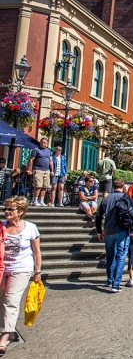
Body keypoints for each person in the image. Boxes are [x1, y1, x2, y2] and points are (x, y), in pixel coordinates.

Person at [0, 196, 39, 353]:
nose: (7, 211)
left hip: (22, 269)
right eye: (6, 208)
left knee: (11, 301)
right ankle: (6, 328)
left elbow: (37, 252)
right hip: (2, 269)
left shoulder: (30, 228)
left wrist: (38, 272)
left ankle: (4, 337)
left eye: (11, 209)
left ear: (21, 211)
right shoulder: (1, 226)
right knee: (1, 300)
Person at [95, 179, 129, 292]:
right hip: (121, 230)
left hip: (108, 230)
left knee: (110, 256)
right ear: (123, 186)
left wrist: (99, 231)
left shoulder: (106, 199)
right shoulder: (125, 198)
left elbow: (99, 216)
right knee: (121, 256)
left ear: (113, 186)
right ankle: (116, 283)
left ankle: (109, 280)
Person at [27, 137, 53, 207]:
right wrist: (29, 169)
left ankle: (41, 201)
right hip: (38, 170)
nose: (42, 143)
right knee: (38, 186)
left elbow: (50, 161)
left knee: (45, 186)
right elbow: (31, 159)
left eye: (44, 142)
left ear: (47, 143)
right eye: (41, 142)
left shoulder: (49, 151)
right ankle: (35, 200)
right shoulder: (36, 150)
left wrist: (52, 171)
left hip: (46, 171)